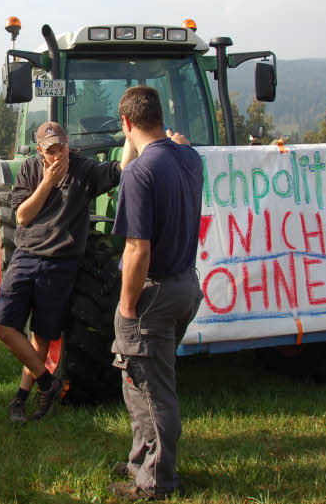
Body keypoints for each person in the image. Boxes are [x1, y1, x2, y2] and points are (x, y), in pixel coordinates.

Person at [0, 121, 134, 423]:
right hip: (27, 255)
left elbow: (122, 168)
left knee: (42, 336)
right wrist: (47, 183)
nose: (58, 155)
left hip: (61, 261)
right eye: (51, 150)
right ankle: (48, 382)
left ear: (68, 143)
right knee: (0, 326)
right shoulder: (30, 170)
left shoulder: (83, 169)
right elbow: (22, 217)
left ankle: (21, 397)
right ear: (41, 152)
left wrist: (132, 134)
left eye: (62, 147)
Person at [108, 86, 204, 501]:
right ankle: (140, 461)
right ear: (161, 118)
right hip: (186, 284)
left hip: (154, 295)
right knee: (138, 380)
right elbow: (180, 146)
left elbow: (136, 248)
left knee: (152, 388)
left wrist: (128, 306)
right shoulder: (189, 158)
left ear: (126, 124)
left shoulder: (138, 172)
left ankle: (158, 481)